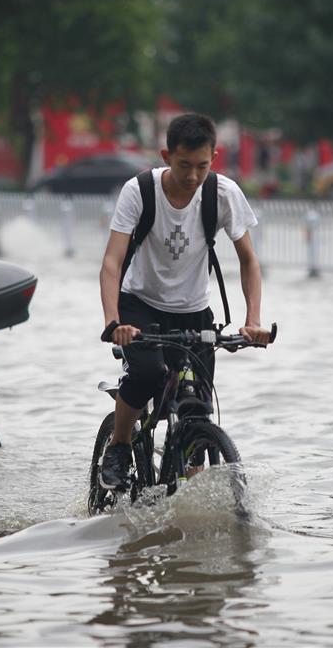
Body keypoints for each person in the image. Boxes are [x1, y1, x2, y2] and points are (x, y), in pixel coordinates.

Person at [98, 113, 273, 489]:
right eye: (183, 166)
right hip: (139, 305)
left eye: (202, 166)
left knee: (198, 403)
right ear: (166, 155)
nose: (193, 177)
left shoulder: (223, 193)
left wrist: (253, 320)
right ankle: (120, 445)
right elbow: (112, 262)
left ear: (215, 157)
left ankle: (191, 483)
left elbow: (249, 261)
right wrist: (114, 324)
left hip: (194, 312)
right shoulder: (139, 191)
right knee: (148, 374)